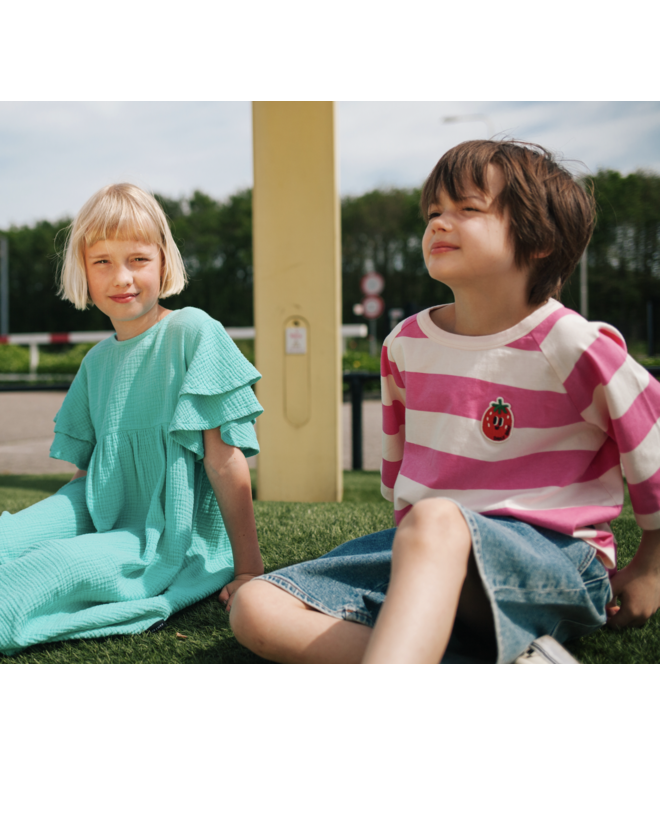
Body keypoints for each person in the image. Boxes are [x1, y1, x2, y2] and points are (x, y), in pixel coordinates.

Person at [229, 139, 660, 664]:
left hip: (554, 561)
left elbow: (653, 446)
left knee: (435, 520)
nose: (438, 223)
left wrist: (651, 568)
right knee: (255, 606)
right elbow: (400, 473)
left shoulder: (573, 345)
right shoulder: (405, 345)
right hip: (424, 548)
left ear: (540, 240)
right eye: (434, 211)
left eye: (468, 209)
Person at [0, 183, 263, 655]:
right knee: (7, 538)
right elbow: (90, 475)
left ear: (164, 261)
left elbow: (225, 464)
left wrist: (248, 571)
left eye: (138, 259)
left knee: (53, 566)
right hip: (101, 511)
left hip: (166, 536)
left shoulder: (194, 333)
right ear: (83, 271)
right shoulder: (96, 362)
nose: (121, 277)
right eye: (102, 261)